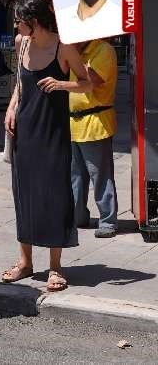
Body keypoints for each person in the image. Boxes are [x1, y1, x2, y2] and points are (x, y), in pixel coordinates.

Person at [2, 0, 94, 292]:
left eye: (19, 20)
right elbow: (19, 82)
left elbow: (87, 82)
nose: (16, 25)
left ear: (34, 22)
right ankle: (25, 262)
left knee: (55, 194)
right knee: (24, 193)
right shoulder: (22, 43)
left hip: (53, 132)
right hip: (24, 131)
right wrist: (11, 107)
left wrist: (61, 84)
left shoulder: (63, 46)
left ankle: (55, 267)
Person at [70, 39, 118, 238]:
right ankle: (77, 216)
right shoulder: (74, 52)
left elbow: (93, 81)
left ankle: (107, 220)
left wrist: (73, 57)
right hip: (73, 124)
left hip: (96, 122)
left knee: (100, 175)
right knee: (75, 176)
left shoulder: (103, 50)